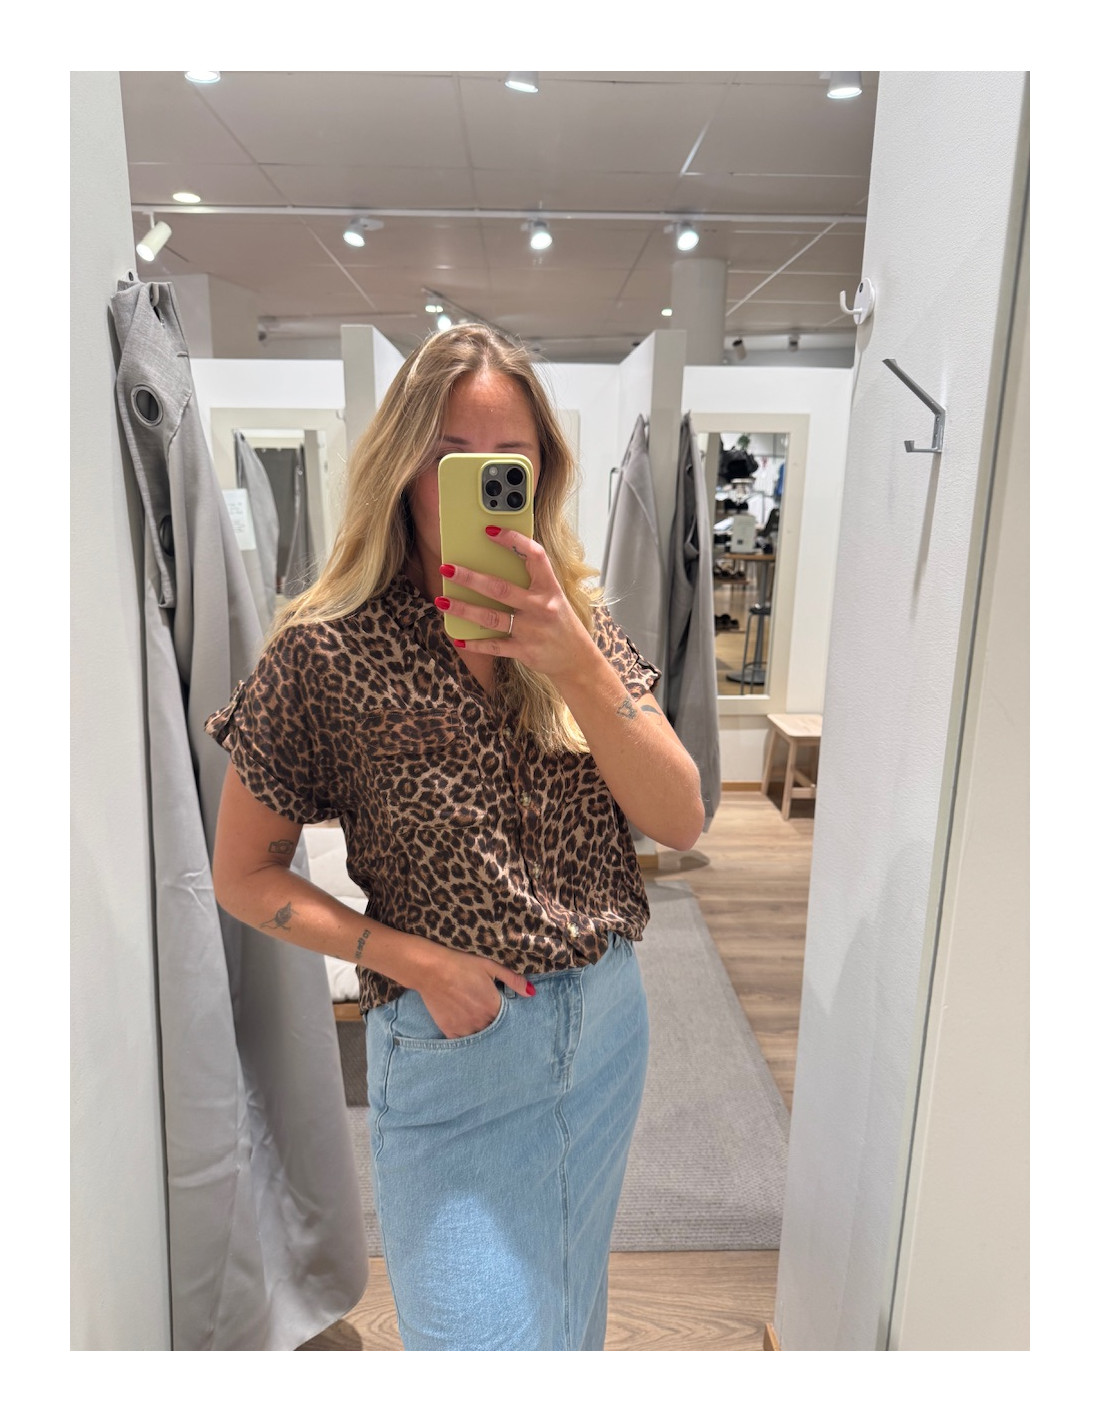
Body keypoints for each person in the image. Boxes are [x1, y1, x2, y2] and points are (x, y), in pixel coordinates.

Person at [205, 323, 705, 1351]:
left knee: (568, 1324)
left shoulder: (577, 623)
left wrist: (574, 663)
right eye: (452, 457)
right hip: (456, 1045)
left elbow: (680, 817)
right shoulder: (324, 650)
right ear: (402, 467)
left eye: (508, 458)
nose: (483, 481)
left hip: (606, 1029)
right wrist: (413, 962)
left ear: (539, 471)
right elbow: (244, 875)